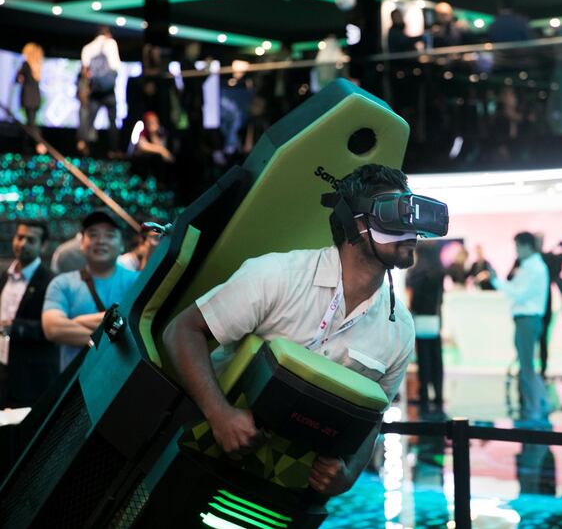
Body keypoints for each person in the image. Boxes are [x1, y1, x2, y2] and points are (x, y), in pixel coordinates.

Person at [162, 164, 447, 496]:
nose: (411, 232)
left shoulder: (400, 329)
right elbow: (181, 331)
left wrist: (349, 473)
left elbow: (373, 418)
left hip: (288, 489)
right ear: (358, 225)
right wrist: (220, 414)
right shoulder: (277, 275)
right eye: (396, 215)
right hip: (203, 453)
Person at [43, 209, 139, 371]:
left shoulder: (138, 280)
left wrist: (77, 322)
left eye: (110, 235)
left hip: (126, 379)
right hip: (75, 382)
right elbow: (53, 328)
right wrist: (109, 335)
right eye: (93, 234)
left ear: (122, 244)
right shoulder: (62, 283)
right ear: (81, 243)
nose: (101, 241)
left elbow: (140, 322)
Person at [477, 232, 549, 420]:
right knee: (527, 366)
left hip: (528, 319)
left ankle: (535, 409)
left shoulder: (535, 268)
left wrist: (495, 280)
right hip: (525, 319)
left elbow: (518, 293)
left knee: (527, 367)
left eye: (517, 247)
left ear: (527, 246)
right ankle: (541, 404)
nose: (516, 251)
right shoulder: (530, 266)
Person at [0, 220, 59, 407]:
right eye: (19, 237)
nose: (22, 243)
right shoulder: (5, 276)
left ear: (43, 246)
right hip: (4, 367)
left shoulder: (51, 281)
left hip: (31, 376)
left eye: (31, 240)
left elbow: (55, 328)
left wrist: (16, 328)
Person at [406, 243, 446, 415]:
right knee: (437, 358)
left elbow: (413, 300)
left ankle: (424, 395)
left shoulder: (415, 272)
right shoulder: (439, 271)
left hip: (421, 318)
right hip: (435, 319)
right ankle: (438, 394)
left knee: (424, 359)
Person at [77, 26, 121, 157]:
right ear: (107, 34)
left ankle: (85, 147)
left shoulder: (87, 48)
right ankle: (113, 150)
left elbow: (85, 72)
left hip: (94, 90)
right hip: (108, 91)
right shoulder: (111, 43)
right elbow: (116, 66)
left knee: (89, 120)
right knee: (112, 121)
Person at [16, 43, 47, 155]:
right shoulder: (37, 66)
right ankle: (32, 145)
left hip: (28, 97)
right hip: (36, 97)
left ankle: (38, 144)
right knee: (31, 122)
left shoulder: (26, 64)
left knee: (31, 123)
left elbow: (17, 78)